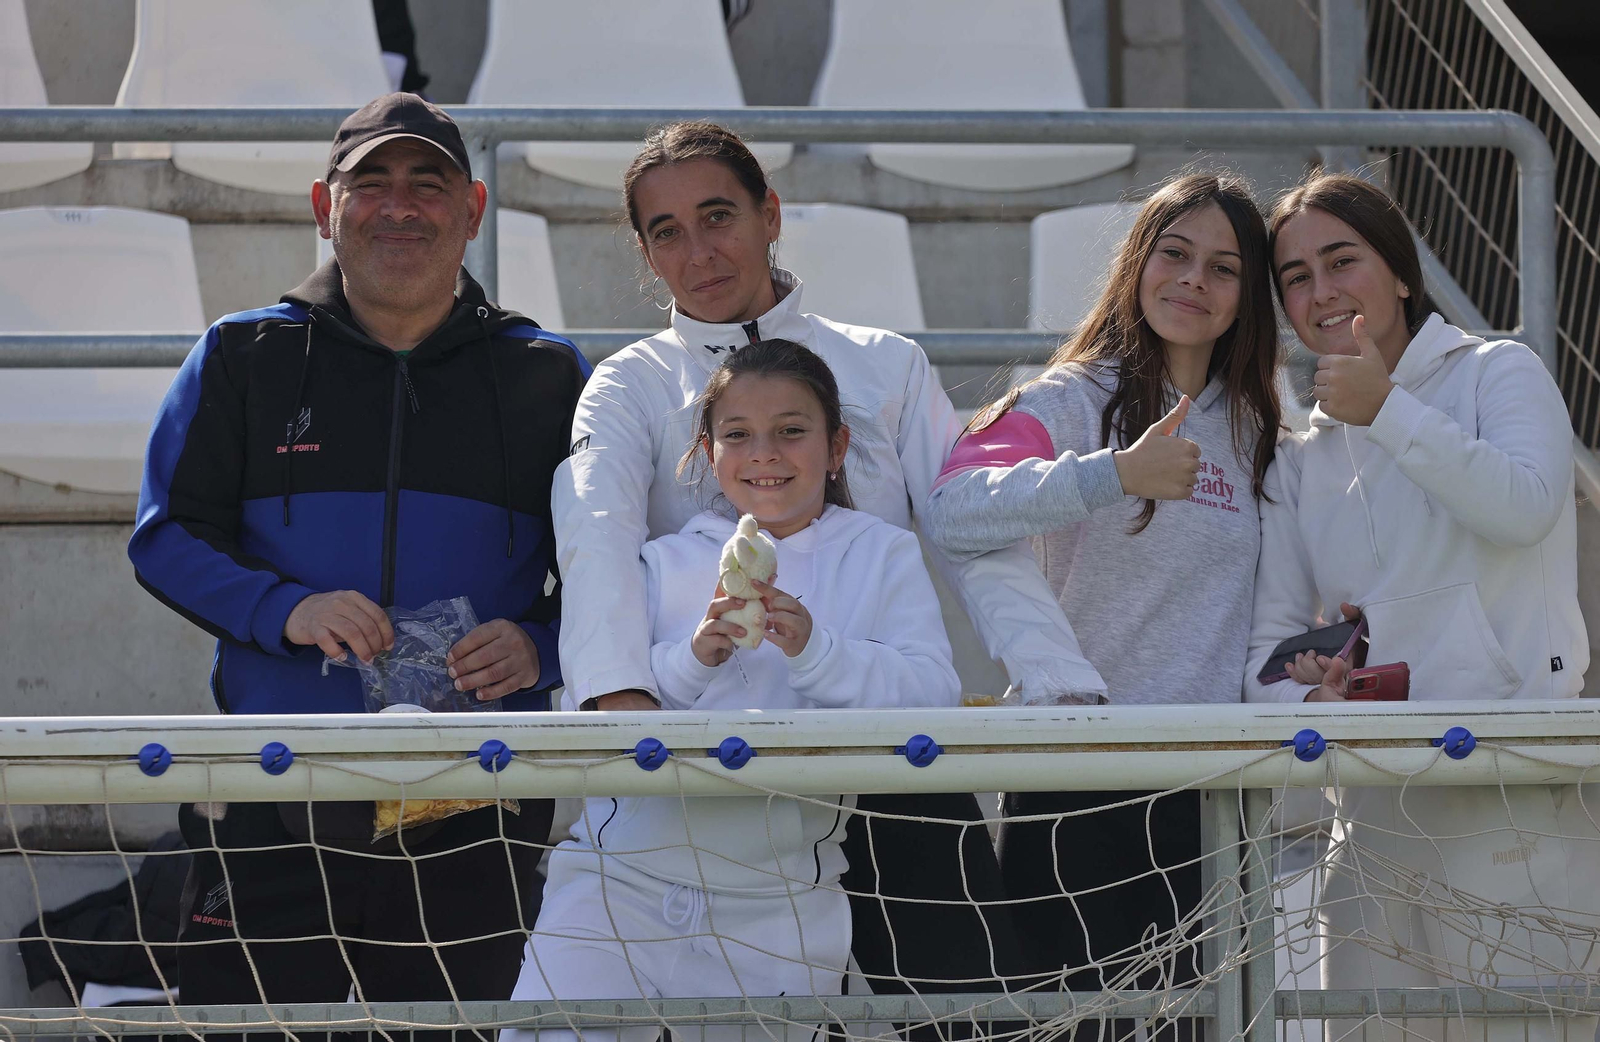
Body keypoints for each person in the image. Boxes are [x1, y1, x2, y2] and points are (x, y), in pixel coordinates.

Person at [553, 120, 1090, 1005]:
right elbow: (597, 532)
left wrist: (1057, 681)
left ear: (771, 214)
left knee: (968, 1007)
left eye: (719, 215)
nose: (699, 251)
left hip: (884, 756)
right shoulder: (629, 383)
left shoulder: (887, 364)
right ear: (646, 253)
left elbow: (969, 528)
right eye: (666, 232)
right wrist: (625, 713)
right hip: (718, 779)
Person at [127, 93, 588, 1034]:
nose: (399, 205)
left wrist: (541, 644)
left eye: (428, 184)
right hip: (271, 790)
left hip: (477, 800)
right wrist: (283, 610)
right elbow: (164, 535)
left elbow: (609, 571)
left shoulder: (550, 375)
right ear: (321, 205)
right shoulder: (240, 355)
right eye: (369, 182)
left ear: (474, 209)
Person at [508, 340, 960, 1042]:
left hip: (778, 902)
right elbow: (589, 708)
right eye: (738, 435)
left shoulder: (882, 551)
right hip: (616, 883)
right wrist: (693, 660)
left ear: (836, 446)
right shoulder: (660, 561)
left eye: (792, 431)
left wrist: (817, 650)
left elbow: (935, 696)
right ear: (707, 453)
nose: (765, 454)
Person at [922, 172, 1282, 1025]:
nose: (1194, 280)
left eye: (1224, 268)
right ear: (1138, 263)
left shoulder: (1261, 427)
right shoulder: (1068, 397)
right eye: (1176, 253)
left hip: (1210, 795)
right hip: (1075, 783)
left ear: (1246, 296)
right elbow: (953, 508)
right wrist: (1116, 473)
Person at [1245, 172, 1596, 1042]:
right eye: (1295, 276)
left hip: (1514, 793)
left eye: (1342, 261)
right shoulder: (1299, 460)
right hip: (1370, 815)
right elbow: (1267, 650)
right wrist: (1309, 695)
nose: (1321, 291)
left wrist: (1389, 411)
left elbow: (1526, 505)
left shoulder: (1501, 370)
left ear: (1400, 272)